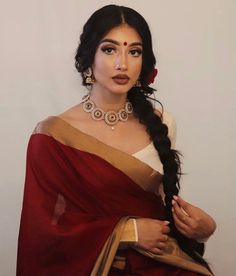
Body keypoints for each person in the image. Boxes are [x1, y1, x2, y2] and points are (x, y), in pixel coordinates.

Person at [17, 4, 216, 276]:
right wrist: (127, 231)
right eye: (109, 49)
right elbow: (42, 231)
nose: (123, 63)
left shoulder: (162, 122)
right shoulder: (53, 136)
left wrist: (203, 231)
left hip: (159, 263)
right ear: (88, 58)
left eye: (134, 51)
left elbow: (157, 206)